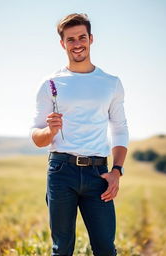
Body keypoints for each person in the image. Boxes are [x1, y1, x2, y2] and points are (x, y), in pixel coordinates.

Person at [30, 13, 129, 256]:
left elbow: (119, 129)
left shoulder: (111, 83)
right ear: (63, 44)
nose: (77, 44)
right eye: (71, 39)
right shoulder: (50, 83)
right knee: (61, 249)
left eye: (82, 37)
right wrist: (49, 130)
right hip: (61, 171)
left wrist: (116, 171)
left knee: (106, 249)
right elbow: (36, 136)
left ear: (91, 39)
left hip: (99, 174)